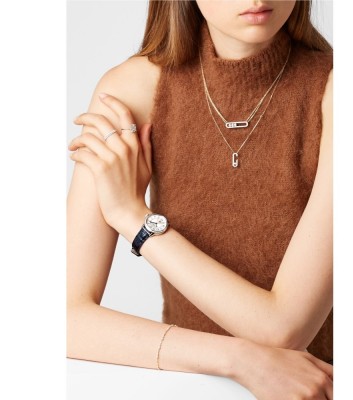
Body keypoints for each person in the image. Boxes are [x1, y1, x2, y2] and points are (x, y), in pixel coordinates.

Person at [67, 0, 333, 399]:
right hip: (191, 388)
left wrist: (131, 216)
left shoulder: (339, 89)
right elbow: (63, 318)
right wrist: (237, 358)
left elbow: (283, 330)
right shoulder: (133, 91)